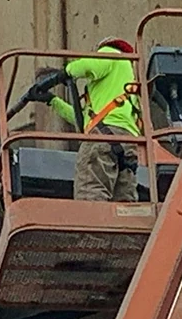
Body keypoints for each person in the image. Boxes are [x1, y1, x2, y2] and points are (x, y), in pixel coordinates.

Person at [30, 37, 142, 202]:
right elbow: (81, 119)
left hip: (103, 137)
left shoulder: (111, 53)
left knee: (91, 195)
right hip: (128, 143)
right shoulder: (124, 83)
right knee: (124, 204)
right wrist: (52, 100)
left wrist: (65, 71)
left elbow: (87, 66)